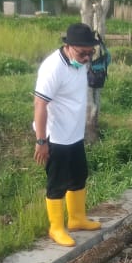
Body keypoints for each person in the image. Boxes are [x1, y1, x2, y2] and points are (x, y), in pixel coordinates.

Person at [34, 23, 103, 248]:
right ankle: (56, 227)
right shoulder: (52, 67)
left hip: (74, 133)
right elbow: (40, 104)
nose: (86, 57)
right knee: (57, 183)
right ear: (68, 46)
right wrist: (42, 140)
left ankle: (76, 219)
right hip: (55, 136)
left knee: (79, 175)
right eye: (82, 53)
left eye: (90, 52)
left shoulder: (79, 62)